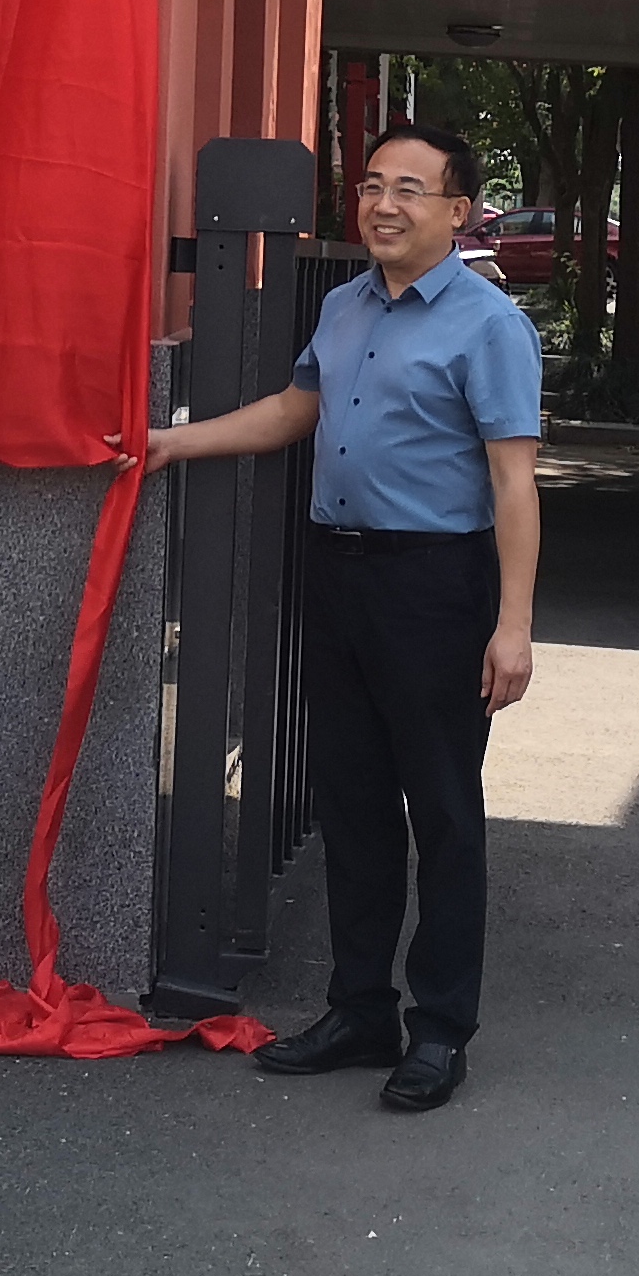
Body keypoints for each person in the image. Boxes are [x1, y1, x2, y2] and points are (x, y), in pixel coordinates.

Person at [142, 117, 541, 1111]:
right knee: (353, 807)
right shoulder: (346, 306)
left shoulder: (489, 324)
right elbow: (295, 410)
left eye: (409, 188)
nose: (383, 204)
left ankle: (439, 1029)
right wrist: (169, 443)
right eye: (370, 185)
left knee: (442, 813)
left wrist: (513, 625)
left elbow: (513, 481)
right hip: (340, 576)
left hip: (435, 587)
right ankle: (360, 1009)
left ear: (458, 210)